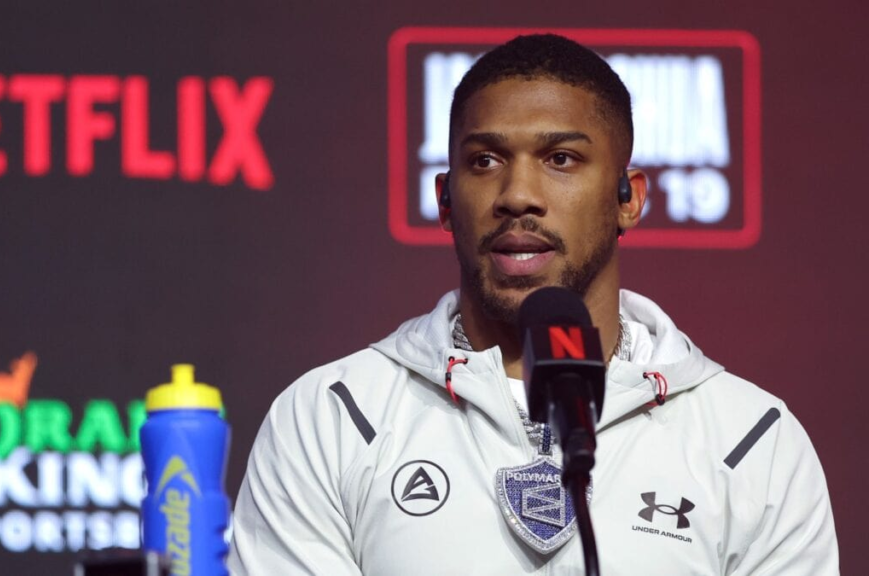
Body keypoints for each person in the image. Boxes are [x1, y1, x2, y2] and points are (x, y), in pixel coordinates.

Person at [227, 34, 838, 575]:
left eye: (560, 159)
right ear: (445, 200)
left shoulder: (751, 441)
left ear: (628, 199)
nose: (518, 194)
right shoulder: (333, 419)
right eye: (485, 161)